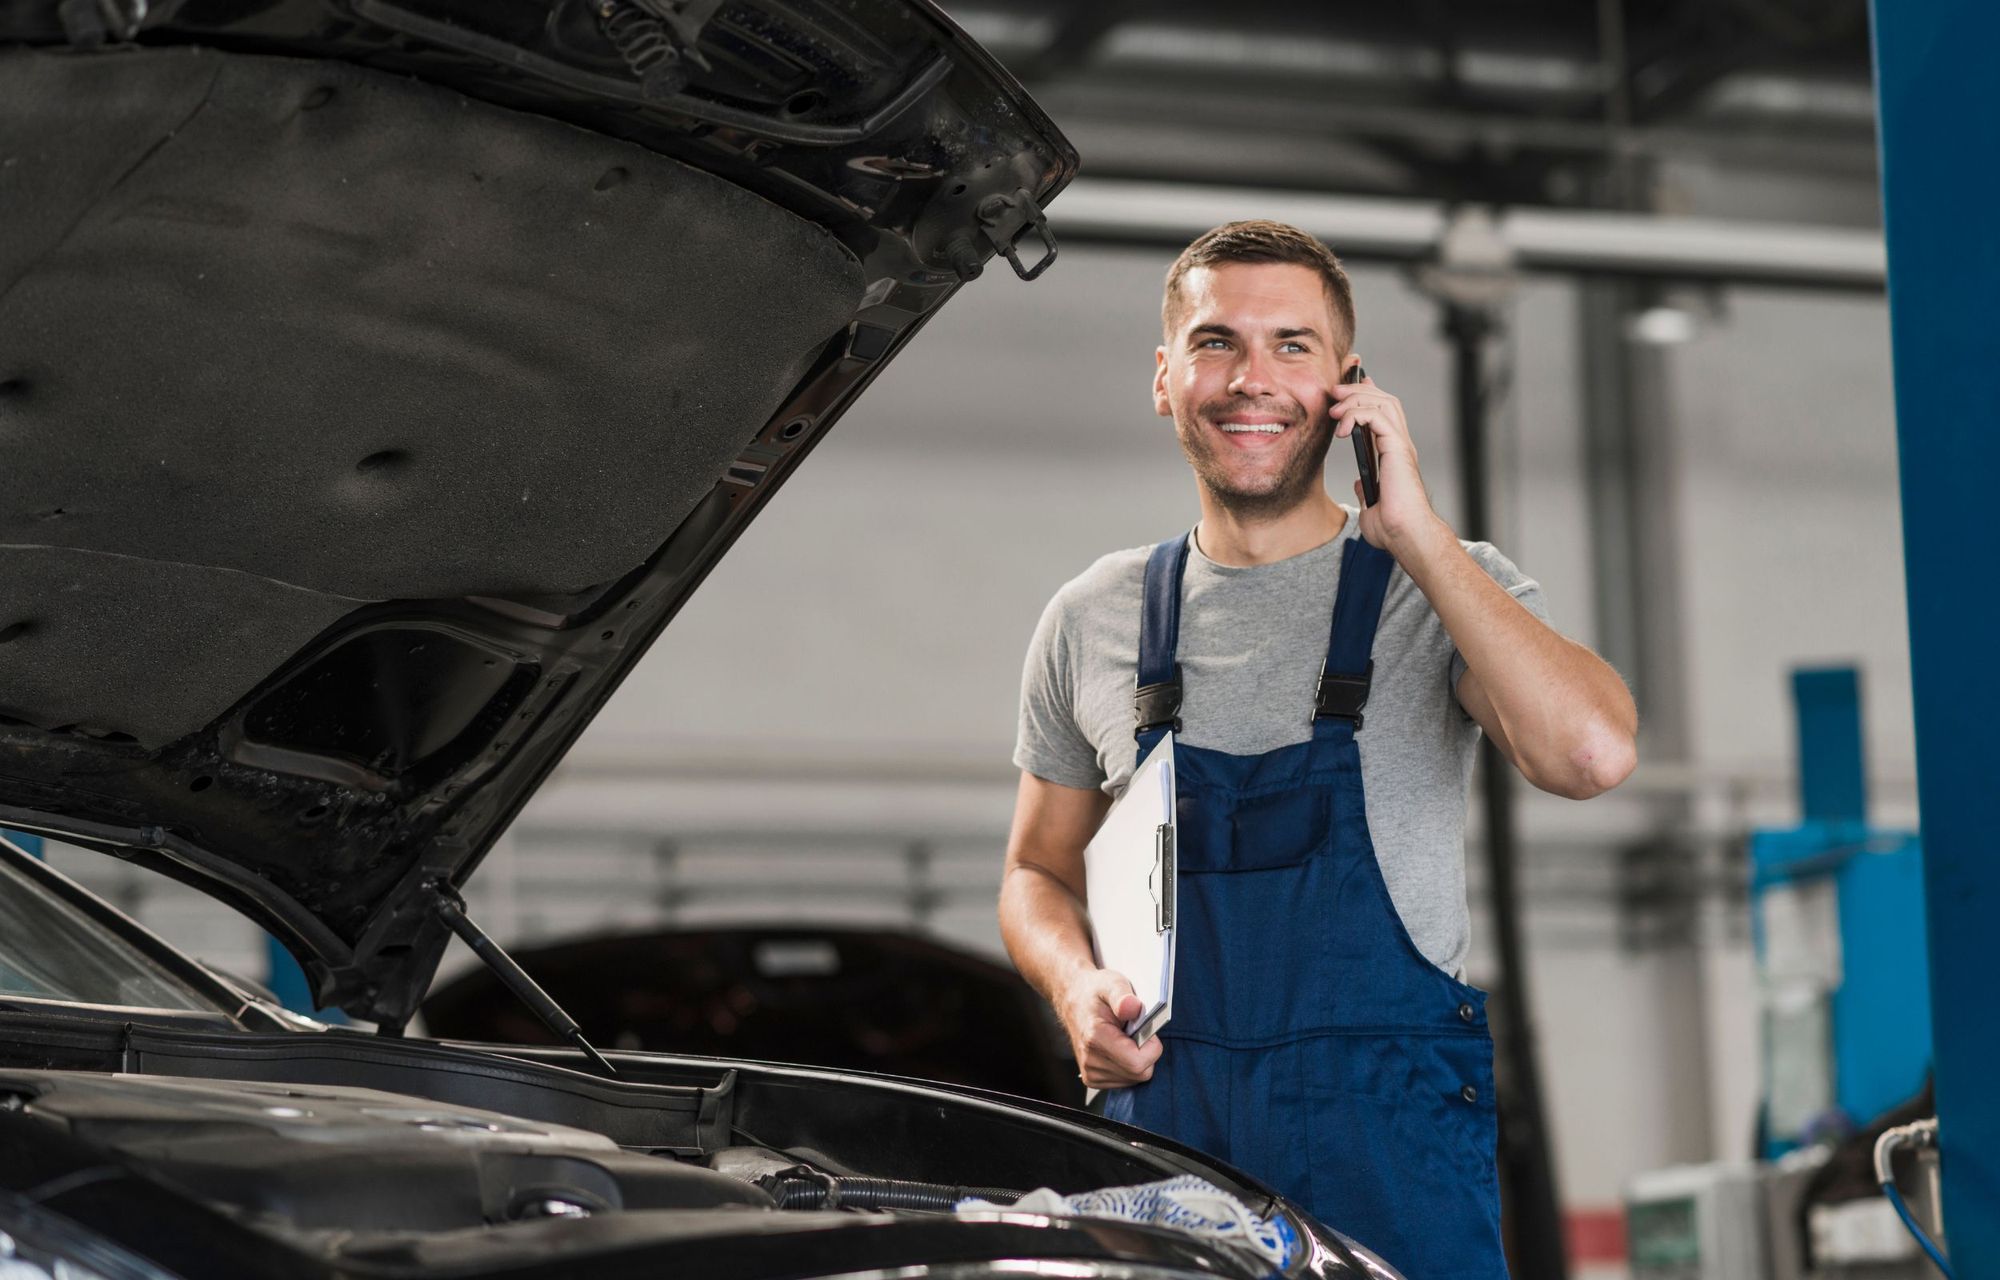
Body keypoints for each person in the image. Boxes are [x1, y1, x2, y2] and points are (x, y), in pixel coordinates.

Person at [997, 220, 1638, 1279]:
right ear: (1163, 378)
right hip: (1166, 1133)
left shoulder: (1436, 589)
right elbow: (1032, 870)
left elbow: (1589, 754)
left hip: (1385, 1141)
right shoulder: (1093, 616)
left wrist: (1418, 535)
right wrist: (1072, 987)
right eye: (1215, 343)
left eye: (1291, 346)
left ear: (1347, 385)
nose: (1252, 380)